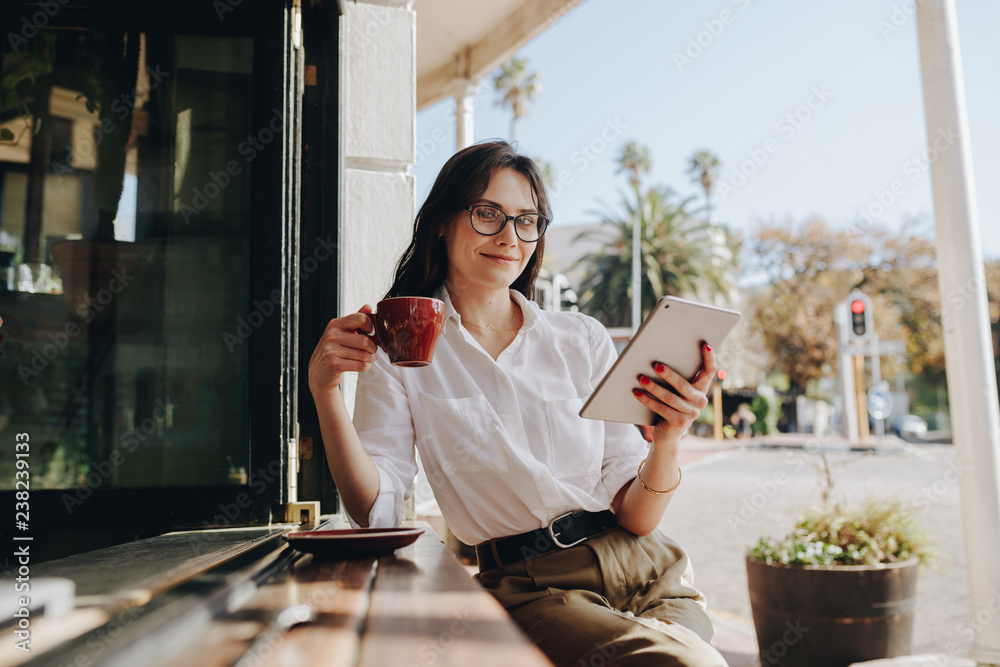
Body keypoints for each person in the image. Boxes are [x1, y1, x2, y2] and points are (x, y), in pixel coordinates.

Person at [308, 140, 727, 667]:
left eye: (528, 220)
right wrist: (325, 393)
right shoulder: (402, 350)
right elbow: (377, 514)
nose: (510, 237)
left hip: (647, 566)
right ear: (442, 221)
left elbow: (637, 516)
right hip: (533, 588)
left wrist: (668, 441)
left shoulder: (582, 339)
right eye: (488, 214)